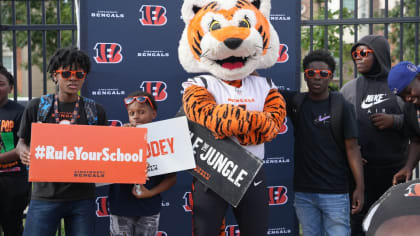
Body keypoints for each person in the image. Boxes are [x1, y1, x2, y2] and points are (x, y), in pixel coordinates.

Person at [16, 46, 108, 236]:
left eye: (79, 73)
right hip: (44, 196)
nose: (73, 78)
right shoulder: (37, 107)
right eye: (66, 73)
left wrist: (129, 138)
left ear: (85, 76)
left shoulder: (95, 111)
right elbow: (21, 142)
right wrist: (23, 151)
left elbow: (107, 149)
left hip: (82, 197)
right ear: (55, 76)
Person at [281, 49, 364, 236]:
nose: (317, 78)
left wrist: (360, 187)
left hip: (335, 192)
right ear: (305, 76)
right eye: (311, 73)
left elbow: (352, 149)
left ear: (331, 77)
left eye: (323, 74)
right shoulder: (297, 102)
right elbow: (263, 90)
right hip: (304, 192)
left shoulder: (342, 106)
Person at [340, 35, 408, 236]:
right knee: (359, 223)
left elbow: (415, 123)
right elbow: (337, 127)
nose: (357, 58)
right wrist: (348, 154)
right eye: (355, 54)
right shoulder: (350, 89)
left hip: (394, 172)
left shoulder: (398, 86)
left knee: (392, 222)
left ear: (378, 55)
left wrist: (394, 121)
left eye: (364, 53)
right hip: (360, 174)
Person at [107, 91, 176, 236]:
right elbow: (105, 169)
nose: (136, 116)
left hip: (148, 208)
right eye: (131, 113)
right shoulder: (118, 137)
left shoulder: (164, 142)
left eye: (141, 112)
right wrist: (120, 139)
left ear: (154, 114)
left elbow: (171, 179)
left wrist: (150, 192)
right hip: (120, 207)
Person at [0, 64, 29, 235]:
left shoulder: (20, 112)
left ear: (11, 88)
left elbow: (22, 148)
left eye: (1, 83)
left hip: (13, 181)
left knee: (12, 227)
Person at [387, 61, 420, 185]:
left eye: (408, 91)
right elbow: (417, 140)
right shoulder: (410, 108)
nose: (407, 98)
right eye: (402, 96)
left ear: (418, 78)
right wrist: (408, 167)